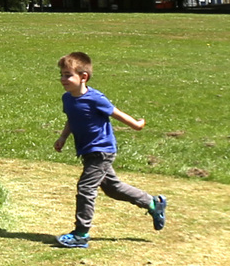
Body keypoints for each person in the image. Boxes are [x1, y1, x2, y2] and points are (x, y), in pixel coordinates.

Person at [49, 49, 165, 248]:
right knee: (113, 188)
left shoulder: (96, 98)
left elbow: (116, 113)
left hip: (101, 151)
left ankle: (81, 234)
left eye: (68, 75)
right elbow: (72, 118)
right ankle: (153, 203)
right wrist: (63, 137)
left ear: (83, 77)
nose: (63, 79)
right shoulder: (68, 98)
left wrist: (135, 125)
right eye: (61, 75)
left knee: (86, 188)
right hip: (87, 151)